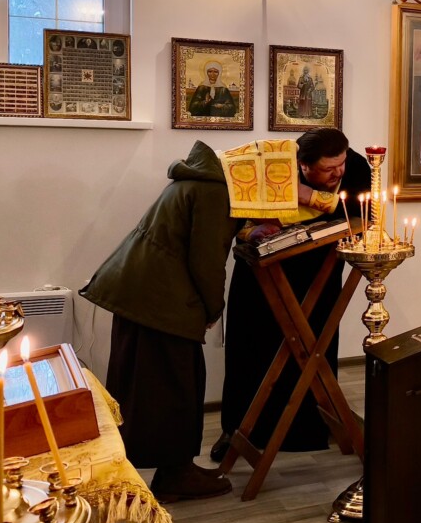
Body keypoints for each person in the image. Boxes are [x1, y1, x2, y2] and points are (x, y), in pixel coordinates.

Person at [80, 141, 242, 502]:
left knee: (145, 386)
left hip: (142, 293)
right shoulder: (214, 192)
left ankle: (155, 468)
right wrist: (213, 309)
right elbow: (207, 262)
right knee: (173, 388)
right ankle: (175, 475)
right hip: (159, 299)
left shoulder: (194, 181)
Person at [211, 128, 370, 460]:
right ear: (302, 165)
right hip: (260, 272)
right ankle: (237, 430)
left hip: (317, 270)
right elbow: (238, 213)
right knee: (248, 347)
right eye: (328, 169)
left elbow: (361, 213)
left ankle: (308, 427)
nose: (338, 173)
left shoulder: (353, 165)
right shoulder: (271, 164)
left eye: (340, 165)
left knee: (311, 344)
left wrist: (308, 196)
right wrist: (255, 230)